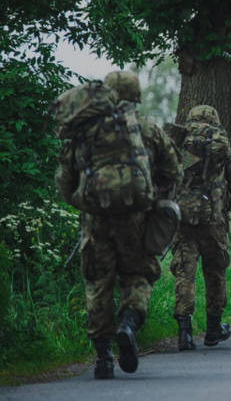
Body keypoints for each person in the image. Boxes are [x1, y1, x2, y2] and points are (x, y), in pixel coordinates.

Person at [55, 71, 182, 379]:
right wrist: (153, 192)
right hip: (137, 217)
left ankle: (102, 358)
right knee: (137, 275)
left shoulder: (85, 130)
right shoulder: (147, 128)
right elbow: (173, 170)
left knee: (98, 282)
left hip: (95, 220)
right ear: (136, 94)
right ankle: (128, 323)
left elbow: (64, 181)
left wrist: (85, 203)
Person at [169, 105, 231, 351]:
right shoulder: (220, 142)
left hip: (182, 220)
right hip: (212, 220)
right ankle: (213, 329)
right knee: (215, 272)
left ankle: (184, 333)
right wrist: (228, 209)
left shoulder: (178, 141)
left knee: (184, 273)